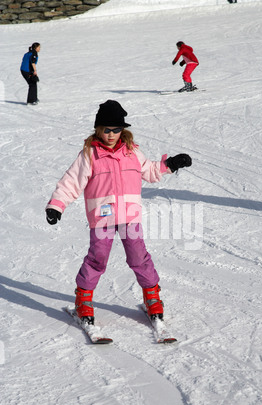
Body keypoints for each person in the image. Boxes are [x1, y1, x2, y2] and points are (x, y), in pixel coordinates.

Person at [45, 100, 192, 325]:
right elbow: (71, 182)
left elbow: (150, 171)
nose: (111, 134)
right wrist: (56, 205)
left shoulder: (132, 152)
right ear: (98, 129)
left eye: (116, 129)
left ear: (123, 130)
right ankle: (83, 300)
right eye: (106, 129)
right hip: (102, 218)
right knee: (97, 259)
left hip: (130, 217)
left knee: (138, 257)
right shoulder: (90, 154)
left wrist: (170, 164)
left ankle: (152, 296)